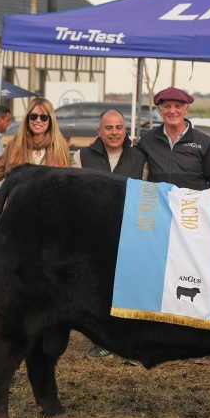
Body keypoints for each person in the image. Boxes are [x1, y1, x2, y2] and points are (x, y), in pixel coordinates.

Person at [73, 108, 147, 360]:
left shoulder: (139, 158)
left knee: (129, 286)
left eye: (119, 127)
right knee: (97, 287)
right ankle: (100, 339)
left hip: (130, 232)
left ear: (125, 131)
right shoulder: (81, 156)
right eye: (109, 128)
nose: (114, 132)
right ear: (99, 131)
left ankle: (128, 338)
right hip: (93, 233)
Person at [136, 86, 210, 191]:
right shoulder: (147, 140)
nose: (172, 111)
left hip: (192, 206)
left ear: (186, 110)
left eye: (178, 106)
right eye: (167, 106)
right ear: (160, 110)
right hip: (158, 205)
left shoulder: (205, 142)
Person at [0, 97, 70, 190]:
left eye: (44, 117)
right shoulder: (14, 145)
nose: (38, 120)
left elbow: (69, 179)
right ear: (27, 118)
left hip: (51, 202)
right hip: (18, 202)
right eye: (33, 116)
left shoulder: (60, 146)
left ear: (50, 120)